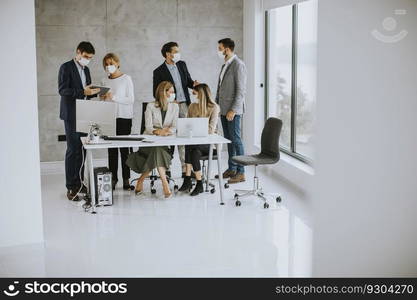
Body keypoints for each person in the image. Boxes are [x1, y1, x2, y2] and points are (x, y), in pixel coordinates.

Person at [58, 41, 100, 201]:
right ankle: (71, 187)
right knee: (73, 149)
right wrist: (83, 91)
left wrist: (96, 92)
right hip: (70, 114)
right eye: (85, 56)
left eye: (90, 58)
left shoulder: (87, 69)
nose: (87, 60)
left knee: (82, 150)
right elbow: (62, 90)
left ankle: (80, 183)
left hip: (84, 113)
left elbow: (86, 92)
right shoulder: (66, 67)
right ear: (78, 52)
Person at [126, 81, 179, 198]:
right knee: (156, 151)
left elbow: (175, 127)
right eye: (171, 92)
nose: (173, 94)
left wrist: (167, 131)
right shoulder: (150, 106)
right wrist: (158, 131)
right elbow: (148, 127)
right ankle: (165, 184)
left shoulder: (175, 107)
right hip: (148, 144)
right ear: (163, 93)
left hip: (164, 142)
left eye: (173, 92)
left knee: (157, 151)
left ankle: (141, 180)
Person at [153, 42, 198, 177]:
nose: (178, 53)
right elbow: (155, 92)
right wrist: (171, 101)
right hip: (170, 107)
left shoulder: (182, 64)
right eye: (176, 51)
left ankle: (186, 170)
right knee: (169, 136)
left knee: (184, 137)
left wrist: (194, 84)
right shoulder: (159, 71)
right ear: (168, 54)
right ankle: (167, 168)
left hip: (185, 105)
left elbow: (188, 82)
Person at [100, 53, 135, 190]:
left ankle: (126, 179)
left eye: (111, 63)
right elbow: (102, 101)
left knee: (124, 150)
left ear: (117, 63)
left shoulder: (126, 79)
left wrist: (114, 97)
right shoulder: (104, 80)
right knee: (112, 150)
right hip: (109, 118)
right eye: (106, 64)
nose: (109, 66)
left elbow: (130, 99)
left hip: (124, 117)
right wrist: (102, 98)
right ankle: (113, 178)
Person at [178, 84, 220, 196]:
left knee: (191, 146)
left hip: (208, 145)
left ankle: (187, 179)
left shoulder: (214, 107)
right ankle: (198, 183)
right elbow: (187, 125)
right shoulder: (192, 106)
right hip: (195, 144)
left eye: (195, 93)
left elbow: (211, 129)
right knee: (193, 150)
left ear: (201, 94)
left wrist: (195, 128)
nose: (193, 95)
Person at [215, 38, 247, 184]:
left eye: (220, 48)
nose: (218, 51)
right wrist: (216, 106)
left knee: (236, 140)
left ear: (227, 49)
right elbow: (220, 88)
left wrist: (233, 110)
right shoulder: (225, 65)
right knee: (229, 140)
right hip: (223, 109)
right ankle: (232, 168)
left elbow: (241, 91)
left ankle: (241, 172)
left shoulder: (238, 65)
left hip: (232, 111)